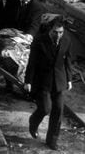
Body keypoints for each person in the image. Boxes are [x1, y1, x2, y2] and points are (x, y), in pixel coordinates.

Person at [24, 16, 72, 151]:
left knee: (58, 110)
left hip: (59, 81)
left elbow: (68, 60)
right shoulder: (39, 41)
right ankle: (33, 122)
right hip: (43, 81)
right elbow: (31, 63)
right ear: (50, 30)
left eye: (61, 32)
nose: (58, 35)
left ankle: (52, 140)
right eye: (55, 32)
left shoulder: (67, 40)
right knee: (45, 108)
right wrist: (28, 81)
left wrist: (69, 79)